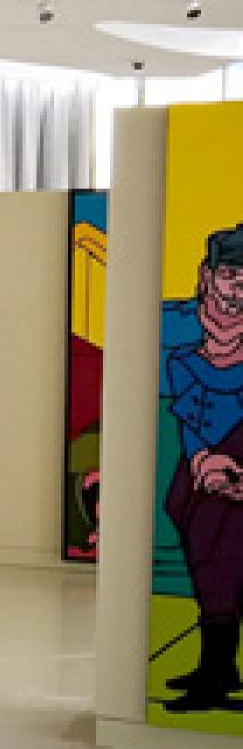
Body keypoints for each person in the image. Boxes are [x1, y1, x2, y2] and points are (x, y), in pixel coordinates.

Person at [157, 222, 243, 712]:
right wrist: (202, 459)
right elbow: (190, 416)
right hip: (202, 468)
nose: (236, 290)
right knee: (197, 534)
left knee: (223, 554)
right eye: (230, 274)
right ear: (209, 277)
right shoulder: (186, 354)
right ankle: (220, 667)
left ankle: (216, 675)